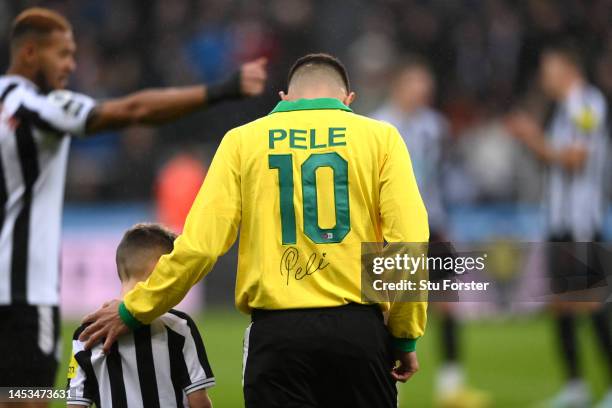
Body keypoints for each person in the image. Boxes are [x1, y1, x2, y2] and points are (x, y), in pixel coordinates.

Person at [78, 53, 429, 408]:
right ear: (348, 100)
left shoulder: (242, 142)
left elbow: (200, 247)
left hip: (276, 337)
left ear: (284, 98)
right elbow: (409, 244)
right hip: (359, 333)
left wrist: (134, 309)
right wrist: (403, 336)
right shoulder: (382, 138)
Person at [0, 7, 266, 404]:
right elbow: (130, 110)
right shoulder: (34, 105)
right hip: (22, 294)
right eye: (64, 54)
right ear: (30, 52)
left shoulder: (82, 339)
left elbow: (76, 399)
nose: (72, 65)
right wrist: (220, 90)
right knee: (29, 397)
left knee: (15, 392)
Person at [373, 56, 490, 408]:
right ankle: (390, 389)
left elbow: (441, 176)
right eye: (416, 84)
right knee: (388, 311)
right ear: (399, 85)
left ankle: (451, 388)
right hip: (392, 232)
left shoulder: (435, 126)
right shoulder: (378, 125)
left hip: (434, 224)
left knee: (447, 304)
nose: (423, 91)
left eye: (427, 85)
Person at [506, 44, 612, 408]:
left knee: (592, 305)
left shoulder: (585, 103)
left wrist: (531, 138)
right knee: (563, 304)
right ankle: (575, 387)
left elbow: (575, 158)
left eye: (548, 69)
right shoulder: (566, 108)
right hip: (559, 222)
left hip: (580, 222)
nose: (543, 77)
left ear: (567, 69)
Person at [67, 223, 215, 408]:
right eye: (174, 272)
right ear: (160, 269)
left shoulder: (86, 334)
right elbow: (198, 402)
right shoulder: (179, 326)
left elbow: (75, 404)